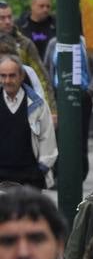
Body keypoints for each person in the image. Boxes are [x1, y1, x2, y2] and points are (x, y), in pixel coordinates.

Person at [0, 53, 55, 189]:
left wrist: (41, 170)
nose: (7, 80)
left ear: (21, 77)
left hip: (29, 180)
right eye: (3, 76)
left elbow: (47, 139)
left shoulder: (38, 105)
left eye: (12, 75)